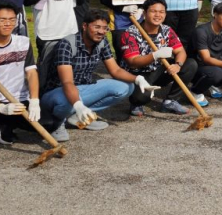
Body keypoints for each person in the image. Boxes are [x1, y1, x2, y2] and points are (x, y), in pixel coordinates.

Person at [40, 9, 159, 141]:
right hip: (57, 92)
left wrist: (138, 79)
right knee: (67, 101)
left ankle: (82, 117)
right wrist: (78, 105)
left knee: (126, 87)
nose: (101, 32)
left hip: (84, 87)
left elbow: (116, 71)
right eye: (96, 27)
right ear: (84, 26)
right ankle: (58, 124)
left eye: (105, 28)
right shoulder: (67, 44)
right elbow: (67, 82)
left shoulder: (102, 42)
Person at [0, 1, 50, 154]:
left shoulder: (23, 42)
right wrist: (0, 107)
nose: (8, 24)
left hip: (18, 100)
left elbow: (31, 72)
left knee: (50, 124)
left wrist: (35, 100)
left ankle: (5, 126)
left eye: (12, 19)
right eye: (2, 20)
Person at [120, 0, 203, 116]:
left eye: (161, 12)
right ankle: (136, 103)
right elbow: (132, 62)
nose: (158, 15)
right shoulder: (130, 33)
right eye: (153, 11)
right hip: (138, 75)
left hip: (159, 70)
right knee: (141, 98)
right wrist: (154, 55)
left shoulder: (167, 30)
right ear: (144, 13)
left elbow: (180, 51)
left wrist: (177, 65)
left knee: (190, 64)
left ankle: (170, 101)